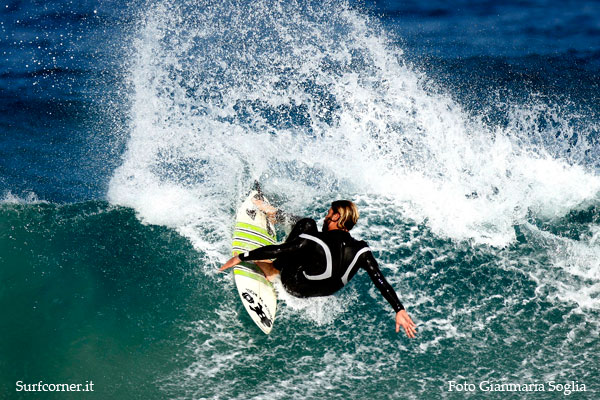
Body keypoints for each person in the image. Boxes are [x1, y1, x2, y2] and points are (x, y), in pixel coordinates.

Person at [220, 200, 417, 338]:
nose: (325, 217)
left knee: (306, 223)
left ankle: (272, 268)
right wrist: (399, 309)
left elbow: (283, 250)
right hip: (318, 292)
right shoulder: (361, 250)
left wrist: (241, 257)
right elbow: (379, 279)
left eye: (329, 213)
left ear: (337, 217)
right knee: (311, 248)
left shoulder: (317, 240)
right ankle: (276, 215)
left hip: (294, 284)